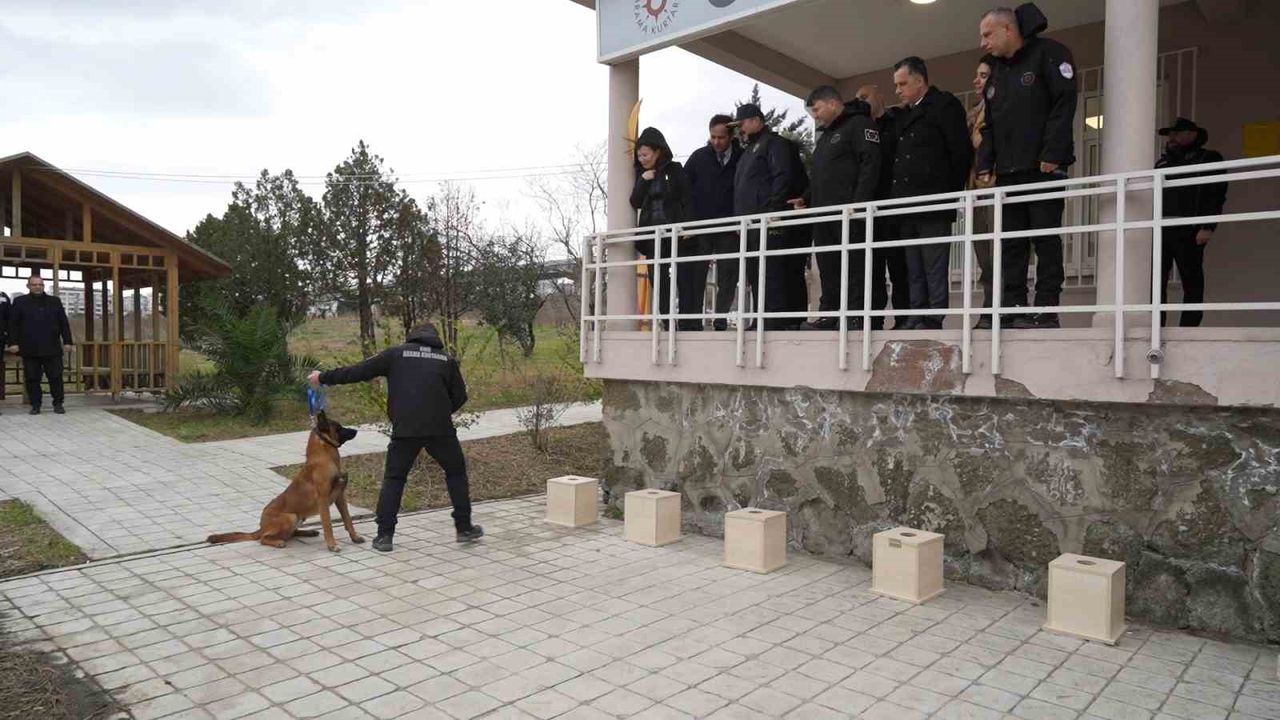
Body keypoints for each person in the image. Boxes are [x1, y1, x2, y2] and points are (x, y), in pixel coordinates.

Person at [308, 323, 481, 551]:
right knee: (456, 473)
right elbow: (460, 396)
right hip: (440, 429)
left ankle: (384, 536)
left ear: (412, 337)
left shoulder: (396, 354)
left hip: (405, 430)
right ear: (435, 339)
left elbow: (359, 371)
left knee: (395, 479)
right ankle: (464, 528)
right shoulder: (446, 360)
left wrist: (323, 377)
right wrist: (439, 412)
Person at [977, 3, 1077, 329]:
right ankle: (1013, 308)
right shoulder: (997, 71)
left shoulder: (1050, 53)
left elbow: (1063, 104)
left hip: (1043, 168)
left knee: (1045, 240)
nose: (982, 42)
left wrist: (1053, 152)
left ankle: (1046, 310)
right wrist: (985, 163)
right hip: (1008, 173)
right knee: (1011, 244)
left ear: (1008, 29)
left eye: (987, 34)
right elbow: (989, 123)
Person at [890, 56, 972, 330]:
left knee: (934, 263)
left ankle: (934, 316)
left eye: (902, 84)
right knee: (913, 266)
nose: (898, 90)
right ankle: (916, 313)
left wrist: (948, 194)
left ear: (919, 81)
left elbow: (960, 152)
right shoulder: (904, 114)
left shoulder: (944, 105)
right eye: (896, 85)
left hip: (934, 201)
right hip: (906, 203)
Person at [790, 86, 880, 331]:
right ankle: (829, 316)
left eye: (817, 109)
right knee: (829, 268)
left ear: (832, 103)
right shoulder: (826, 136)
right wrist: (806, 198)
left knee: (854, 266)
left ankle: (855, 316)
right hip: (823, 215)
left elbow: (870, 164)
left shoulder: (859, 124)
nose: (815, 116)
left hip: (849, 214)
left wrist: (858, 204)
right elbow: (821, 175)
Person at [730, 102, 807, 330]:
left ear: (756, 121)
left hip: (769, 221)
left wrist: (773, 210)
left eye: (742, 124)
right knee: (755, 272)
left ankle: (775, 318)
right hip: (750, 224)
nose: (740, 130)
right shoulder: (748, 152)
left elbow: (782, 177)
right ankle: (762, 316)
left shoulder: (774, 144)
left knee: (772, 270)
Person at [1156, 117, 1227, 327]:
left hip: (1190, 228)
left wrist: (1208, 226)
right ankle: (1156, 324)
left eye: (1176, 133)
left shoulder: (1208, 158)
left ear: (1192, 134)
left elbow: (1215, 194)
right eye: (1170, 134)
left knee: (1191, 278)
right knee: (1156, 280)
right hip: (1162, 227)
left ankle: (1189, 327)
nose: (1171, 138)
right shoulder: (1163, 162)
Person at [855, 84, 912, 329]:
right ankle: (874, 320)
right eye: (858, 98)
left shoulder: (898, 120)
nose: (861, 101)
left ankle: (904, 319)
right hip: (870, 209)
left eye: (865, 96)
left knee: (900, 266)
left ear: (879, 94)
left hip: (895, 204)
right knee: (872, 267)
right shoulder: (860, 128)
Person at [684, 114, 743, 331]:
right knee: (697, 273)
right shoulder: (698, 157)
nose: (717, 142)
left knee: (729, 274)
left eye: (721, 137)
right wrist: (689, 221)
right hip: (701, 226)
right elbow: (684, 189)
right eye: (713, 137)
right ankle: (693, 320)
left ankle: (720, 317)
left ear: (731, 136)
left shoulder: (742, 157)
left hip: (730, 227)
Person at [629, 126, 692, 327]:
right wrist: (643, 181)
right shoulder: (640, 174)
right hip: (652, 237)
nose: (642, 159)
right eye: (639, 155)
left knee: (683, 276)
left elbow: (686, 197)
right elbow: (635, 201)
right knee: (658, 279)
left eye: (645, 154)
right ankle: (667, 320)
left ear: (658, 151)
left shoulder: (674, 169)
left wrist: (688, 226)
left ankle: (685, 320)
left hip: (675, 234)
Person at [6, 274, 74, 415]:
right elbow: (13, 324)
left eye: (40, 284)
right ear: (28, 286)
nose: (38, 287)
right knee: (32, 378)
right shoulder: (20, 302)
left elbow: (63, 322)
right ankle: (35, 405)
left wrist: (68, 341)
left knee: (55, 377)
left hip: (52, 347)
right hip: (29, 348)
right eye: (34, 284)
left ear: (43, 286)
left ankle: (58, 403)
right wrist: (13, 343)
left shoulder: (54, 301)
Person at [968, 57, 998, 329]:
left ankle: (996, 310)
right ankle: (989, 308)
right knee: (984, 256)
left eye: (984, 75)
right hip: (976, 192)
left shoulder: (1001, 108)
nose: (977, 81)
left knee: (997, 254)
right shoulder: (975, 113)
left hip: (996, 189)